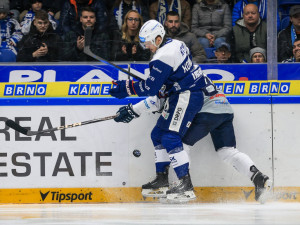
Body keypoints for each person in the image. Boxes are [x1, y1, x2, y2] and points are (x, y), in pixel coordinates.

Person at [109, 19, 217, 203]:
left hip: (186, 95)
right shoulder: (176, 43)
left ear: (158, 38)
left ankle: (186, 184)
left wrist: (126, 88)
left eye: (148, 43)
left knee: (169, 137)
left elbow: (151, 88)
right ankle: (161, 180)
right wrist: (136, 106)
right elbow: (162, 87)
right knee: (157, 134)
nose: (147, 47)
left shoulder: (162, 56)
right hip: (180, 94)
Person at [112, 89, 273, 203]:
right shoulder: (188, 72)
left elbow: (158, 100)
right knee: (227, 151)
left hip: (207, 111)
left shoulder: (175, 75)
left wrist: (134, 109)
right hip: (224, 108)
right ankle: (258, 177)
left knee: (178, 143)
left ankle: (183, 187)